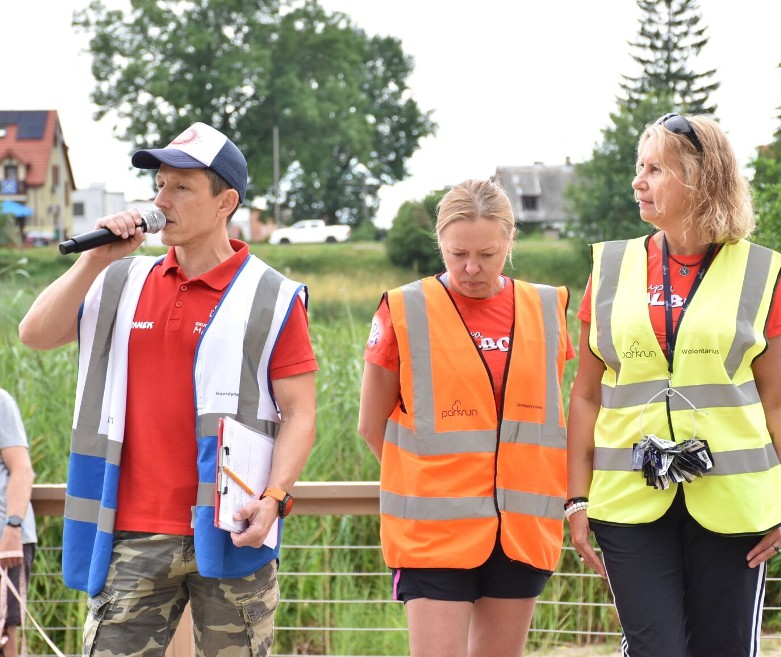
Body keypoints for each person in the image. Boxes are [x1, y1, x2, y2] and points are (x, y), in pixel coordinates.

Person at [18, 122, 317, 656]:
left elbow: (300, 413)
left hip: (231, 527)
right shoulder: (119, 279)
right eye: (160, 184)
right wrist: (96, 258)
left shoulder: (271, 295)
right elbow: (34, 334)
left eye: (181, 187)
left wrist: (275, 497)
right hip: (130, 530)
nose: (162, 200)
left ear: (225, 202)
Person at [566, 113, 781, 657]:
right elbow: (584, 392)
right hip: (629, 502)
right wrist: (575, 500)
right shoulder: (609, 268)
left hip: (735, 504)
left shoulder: (760, 272)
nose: (638, 181)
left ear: (699, 178)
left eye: (655, 170)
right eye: (638, 167)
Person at [358, 179, 574, 657]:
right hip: (432, 532)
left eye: (487, 254)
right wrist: (427, 482)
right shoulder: (403, 308)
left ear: (510, 243)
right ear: (440, 243)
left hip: (520, 531)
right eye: (458, 254)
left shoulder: (545, 309)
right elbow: (372, 426)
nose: (471, 268)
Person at [0, 389, 36, 657]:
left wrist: (13, 529)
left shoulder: (1, 402)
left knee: (5, 632)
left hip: (6, 539)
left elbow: (22, 469)